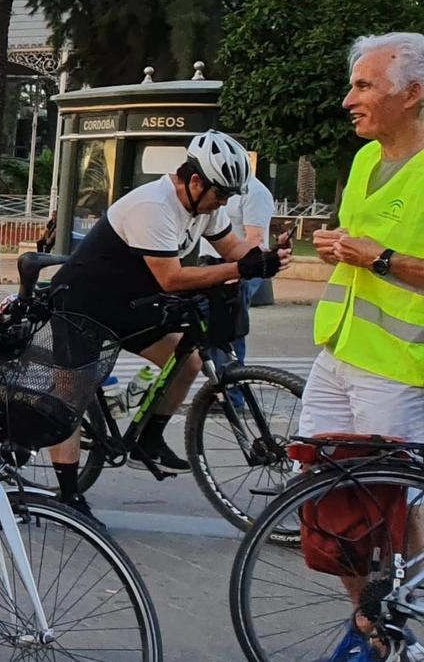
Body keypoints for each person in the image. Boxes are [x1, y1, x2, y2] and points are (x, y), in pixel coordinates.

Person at [46, 130, 290, 522]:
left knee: (188, 361)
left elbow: (233, 249)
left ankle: (149, 439)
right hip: (82, 304)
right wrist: (239, 269)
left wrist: (266, 257)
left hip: (128, 302)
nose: (222, 203)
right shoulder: (152, 206)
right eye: (220, 195)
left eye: (228, 197)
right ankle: (69, 496)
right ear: (195, 181)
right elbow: (172, 279)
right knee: (70, 397)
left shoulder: (206, 204)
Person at [302, 33, 424, 636]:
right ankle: (370, 618)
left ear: (412, 93)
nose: (348, 99)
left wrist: (381, 259)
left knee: (393, 508)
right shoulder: (362, 162)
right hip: (338, 352)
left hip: (398, 368)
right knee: (326, 497)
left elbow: (384, 260)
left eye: (364, 85)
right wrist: (340, 252)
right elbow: (359, 253)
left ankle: (405, 620)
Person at [198, 175, 276, 400]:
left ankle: (233, 396)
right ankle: (220, 388)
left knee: (229, 329)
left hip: (239, 267)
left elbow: (255, 238)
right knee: (206, 329)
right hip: (212, 263)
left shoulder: (255, 192)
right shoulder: (212, 188)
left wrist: (237, 272)